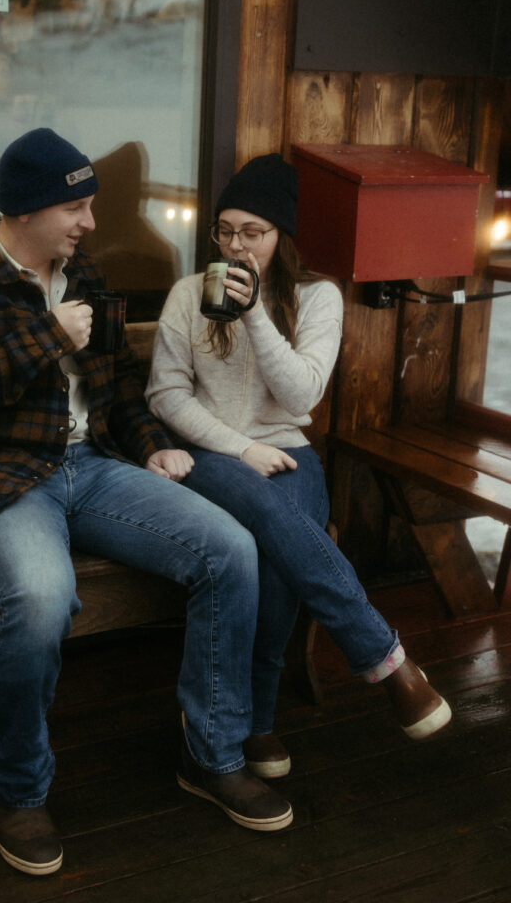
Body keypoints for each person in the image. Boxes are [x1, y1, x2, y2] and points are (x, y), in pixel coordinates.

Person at [0, 129, 293, 878]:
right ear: (26, 209)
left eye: (90, 206)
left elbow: (115, 387)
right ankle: (16, 790)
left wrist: (149, 444)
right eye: (76, 207)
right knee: (44, 596)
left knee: (230, 549)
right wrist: (44, 337)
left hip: (95, 467)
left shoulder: (87, 274)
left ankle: (209, 755)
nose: (88, 222)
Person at [146, 153, 452, 780]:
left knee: (278, 559)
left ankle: (257, 721)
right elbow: (166, 397)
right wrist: (240, 448)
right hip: (208, 455)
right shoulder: (187, 294)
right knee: (267, 513)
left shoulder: (319, 298)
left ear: (280, 235)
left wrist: (255, 313)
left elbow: (302, 395)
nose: (234, 244)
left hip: (290, 453)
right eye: (224, 231)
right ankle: (387, 660)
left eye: (250, 233)